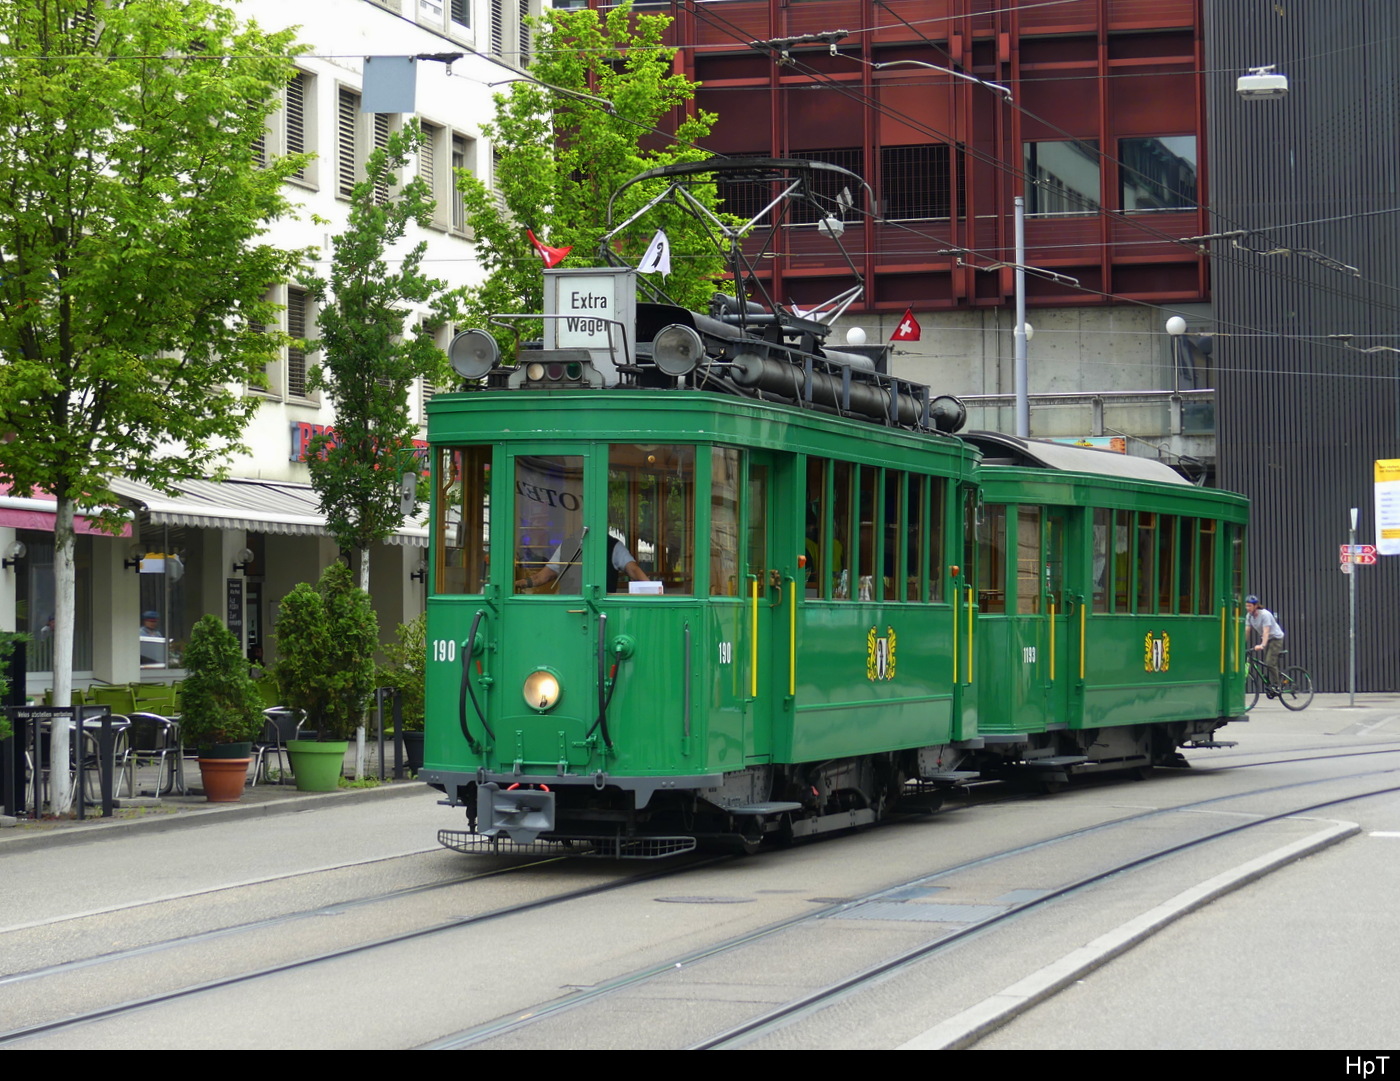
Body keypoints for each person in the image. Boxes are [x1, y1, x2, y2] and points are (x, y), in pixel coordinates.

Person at [517, 533, 649, 593]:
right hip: (568, 611)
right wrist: (518, 584)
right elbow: (542, 577)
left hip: (601, 611)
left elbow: (633, 570)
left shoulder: (613, 545)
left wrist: (653, 590)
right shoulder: (567, 544)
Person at [1245, 594, 1286, 684]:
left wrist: (1262, 645)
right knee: (1268, 663)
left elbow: (1266, 631)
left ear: (1256, 606)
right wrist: (1242, 644)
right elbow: (1247, 631)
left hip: (1276, 638)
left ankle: (1277, 685)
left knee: (1269, 662)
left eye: (1250, 606)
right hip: (1267, 638)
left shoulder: (1265, 615)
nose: (1247, 608)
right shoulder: (1249, 616)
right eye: (1246, 605)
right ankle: (1275, 680)